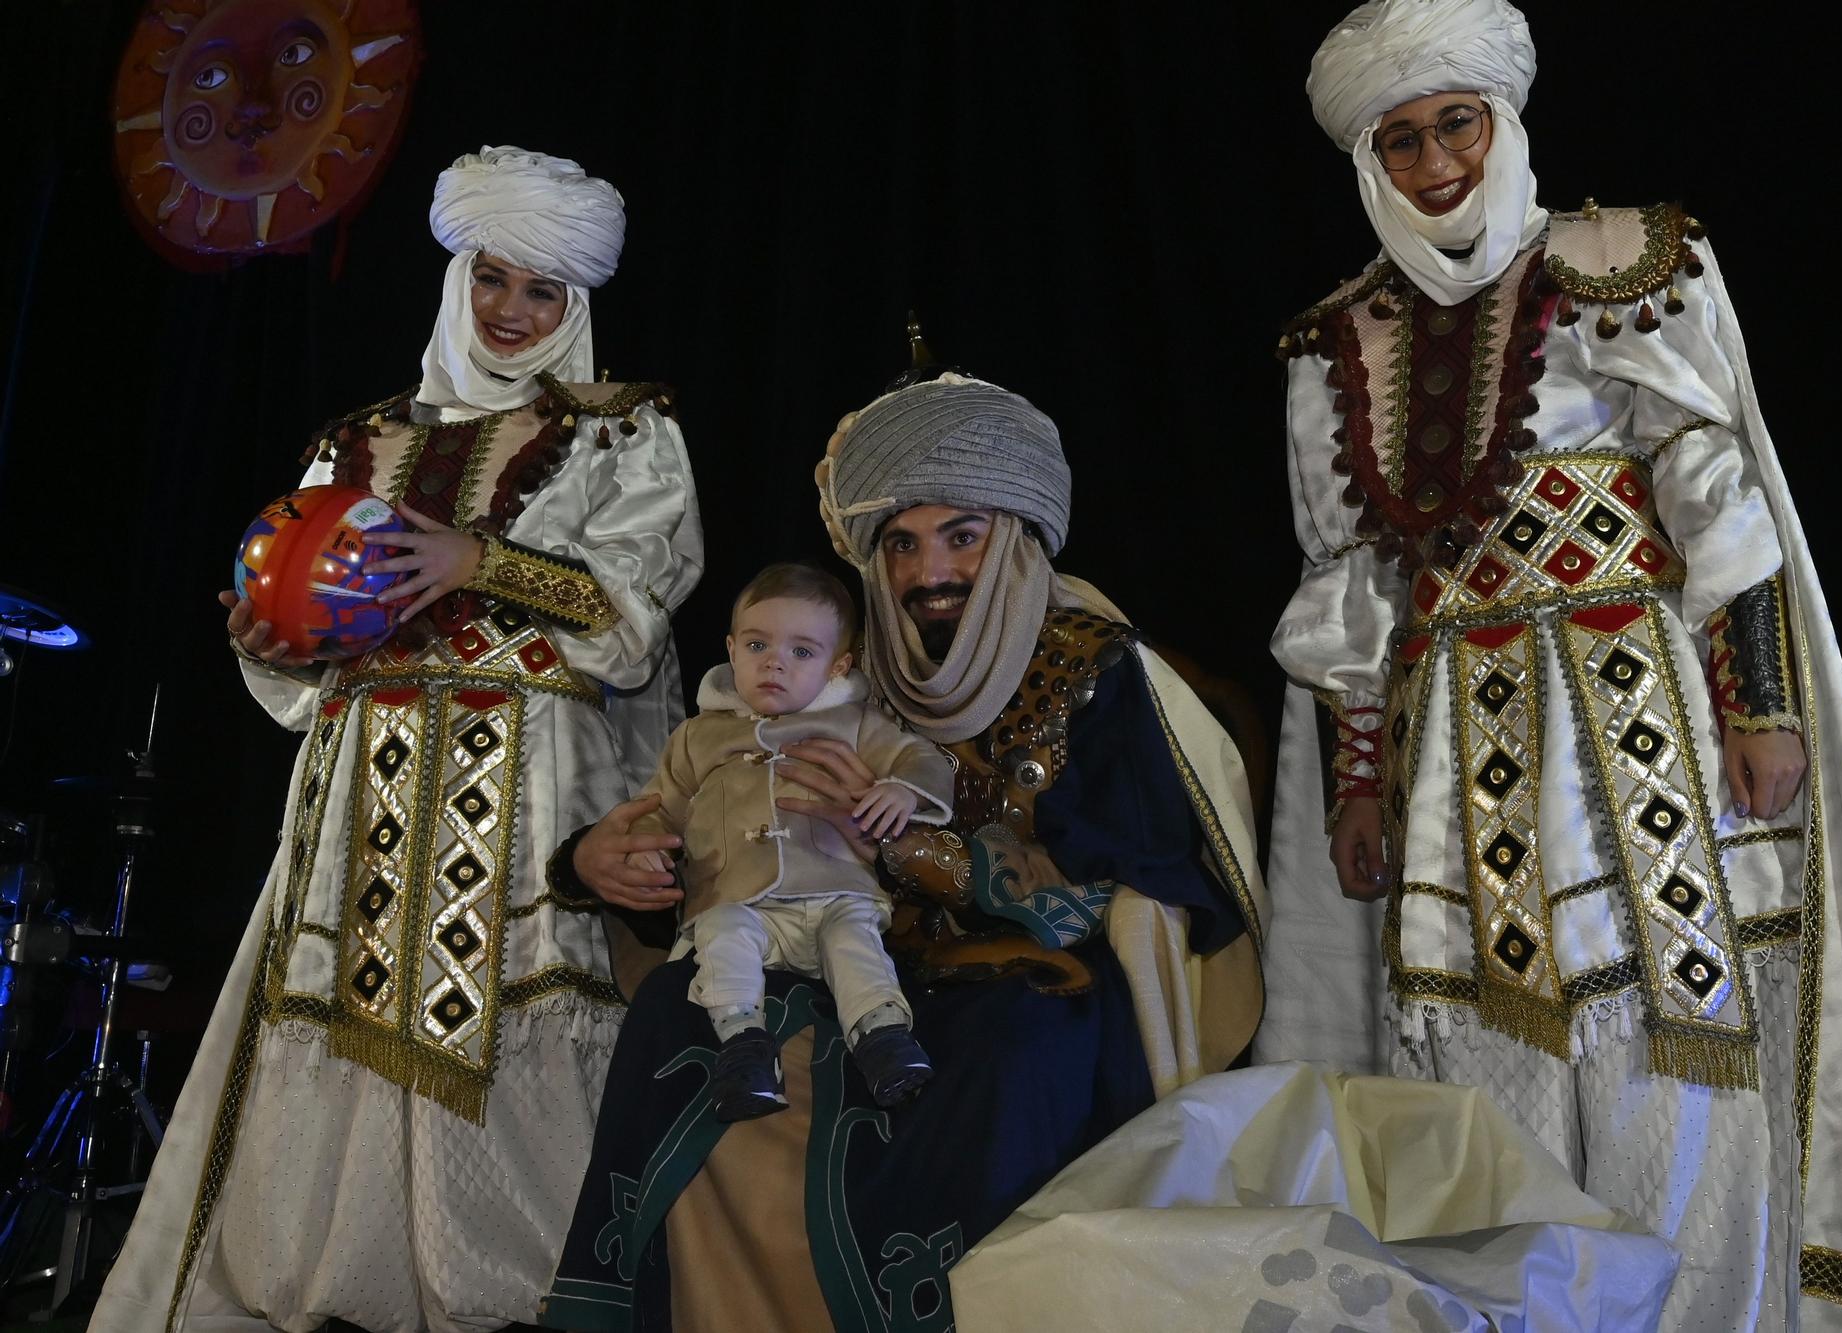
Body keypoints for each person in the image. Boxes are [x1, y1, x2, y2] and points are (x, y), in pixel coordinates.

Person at [1257, 2, 1842, 1327]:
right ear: (1368, 158)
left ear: (1504, 121)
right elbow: (1345, 591)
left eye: (1456, 125)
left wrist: (1762, 707)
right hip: (1447, 770)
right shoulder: (1335, 342)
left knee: (1683, 1047)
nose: (1436, 163)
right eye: (1403, 138)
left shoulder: (1624, 261)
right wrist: (1352, 784)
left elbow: (1719, 499)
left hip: (1640, 719)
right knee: (1472, 1062)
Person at [93, 147, 704, 1332]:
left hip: (525, 786)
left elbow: (636, 613)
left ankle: (523, 1296)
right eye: (493, 279)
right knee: (338, 1015)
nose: (513, 313)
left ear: (576, 306)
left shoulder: (625, 432)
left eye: (542, 294)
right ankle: (321, 1281)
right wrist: (268, 643)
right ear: (456, 277)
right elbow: (310, 629)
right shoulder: (355, 440)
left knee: (517, 1025)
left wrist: (480, 561)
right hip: (363, 780)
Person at [539, 367, 1265, 1331]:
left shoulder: (1096, 670)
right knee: (681, 1010)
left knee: (1006, 1051)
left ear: (1013, 535)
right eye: (903, 543)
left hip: (1029, 977)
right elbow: (713, 822)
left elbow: (1143, 889)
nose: (929, 574)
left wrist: (923, 849)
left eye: (960, 535)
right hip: (841, 946)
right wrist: (596, 866)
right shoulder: (835, 664)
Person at [624, 562, 954, 1120]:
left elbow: (920, 757)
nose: (775, 661)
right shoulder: (697, 737)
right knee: (722, 934)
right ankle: (744, 1046)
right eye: (758, 644)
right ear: (731, 650)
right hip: (740, 900)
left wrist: (901, 789)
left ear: (836, 667)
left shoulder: (854, 723)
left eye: (803, 652)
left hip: (834, 890)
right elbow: (660, 805)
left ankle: (882, 1038)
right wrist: (648, 845)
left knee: (854, 942)